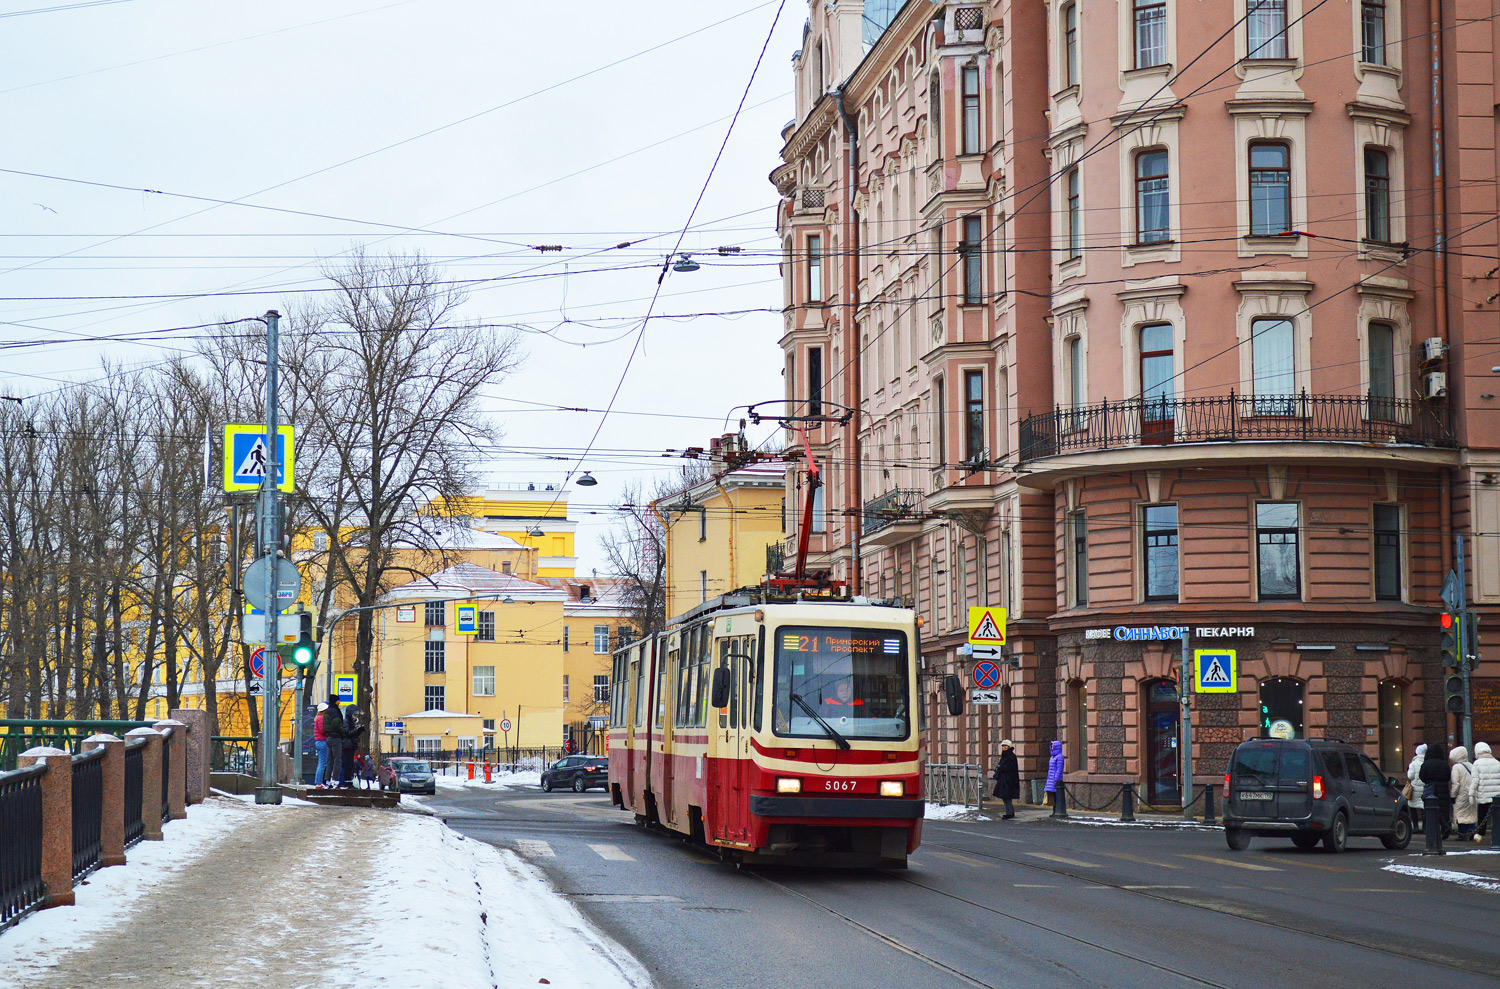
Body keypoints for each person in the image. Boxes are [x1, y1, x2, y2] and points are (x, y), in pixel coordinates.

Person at [1419, 743, 1449, 852]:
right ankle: (1445, 827)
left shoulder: (1426, 764)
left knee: (1429, 810)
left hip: (1430, 787)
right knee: (1443, 808)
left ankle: (1429, 830)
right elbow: (1448, 776)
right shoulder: (1444, 764)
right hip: (1443, 788)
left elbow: (1421, 776)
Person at [1468, 742, 1500, 840]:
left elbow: (1475, 781)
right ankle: (1497, 835)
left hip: (1483, 795)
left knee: (1482, 815)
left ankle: (1480, 834)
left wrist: (1471, 794)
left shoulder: (1477, 764)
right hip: (1496, 796)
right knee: (1497, 817)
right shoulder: (1497, 762)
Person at [1451, 745, 1478, 839]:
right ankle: (1472, 830)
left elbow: (1456, 784)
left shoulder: (1456, 767)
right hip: (1472, 794)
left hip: (1461, 794)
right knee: (1471, 813)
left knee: (1460, 813)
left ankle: (1462, 834)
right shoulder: (1471, 765)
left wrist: (1453, 795)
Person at [322, 695, 346, 789]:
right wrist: (343, 732)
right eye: (338, 700)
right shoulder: (335, 711)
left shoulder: (327, 711)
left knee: (330, 761)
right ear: (335, 701)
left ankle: (327, 781)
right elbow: (337, 724)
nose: (339, 702)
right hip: (336, 737)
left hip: (329, 738)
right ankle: (336, 781)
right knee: (337, 760)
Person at [992, 740, 1020, 820]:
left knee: (1007, 797)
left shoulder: (1011, 756)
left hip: (1009, 780)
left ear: (1009, 747)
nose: (1004, 747)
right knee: (1005, 797)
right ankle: (1009, 812)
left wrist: (1000, 768)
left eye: (1006, 746)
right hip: (1004, 779)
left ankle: (1009, 813)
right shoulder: (1005, 755)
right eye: (1003, 746)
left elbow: (1009, 767)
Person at [340, 704, 366, 789]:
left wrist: (359, 730)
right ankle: (345, 781)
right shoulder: (346, 722)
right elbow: (347, 733)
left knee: (350, 764)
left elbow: (353, 734)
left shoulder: (351, 722)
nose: (356, 717)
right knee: (347, 764)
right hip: (347, 746)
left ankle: (348, 781)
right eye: (354, 715)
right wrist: (357, 729)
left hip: (350, 745)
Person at [1406, 743, 1426, 833]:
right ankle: (1425, 827)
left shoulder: (1413, 763)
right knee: (1424, 808)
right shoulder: (1426, 762)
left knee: (1413, 807)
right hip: (1424, 788)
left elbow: (1410, 776)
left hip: (1414, 789)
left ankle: (1416, 826)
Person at [313, 703, 330, 786]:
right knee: (322, 763)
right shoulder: (320, 718)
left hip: (319, 742)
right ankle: (319, 782)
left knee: (322, 762)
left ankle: (319, 782)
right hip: (322, 741)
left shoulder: (318, 718)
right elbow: (323, 730)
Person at [1045, 740, 1064, 807]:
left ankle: (1057, 809)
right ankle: (1054, 809)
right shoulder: (1052, 757)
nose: (1052, 747)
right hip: (1051, 778)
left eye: (1053, 746)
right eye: (1051, 746)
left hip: (1055, 779)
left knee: (1057, 795)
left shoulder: (1059, 757)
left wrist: (1056, 779)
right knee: (1053, 795)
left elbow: (1059, 769)